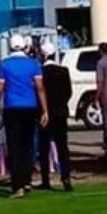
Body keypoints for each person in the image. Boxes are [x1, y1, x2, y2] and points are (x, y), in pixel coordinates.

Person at [0, 34, 49, 199]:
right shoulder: (33, 64)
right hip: (30, 107)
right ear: (25, 46)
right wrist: (45, 110)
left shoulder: (4, 65)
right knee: (28, 145)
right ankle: (27, 180)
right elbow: (40, 88)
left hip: (12, 107)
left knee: (14, 146)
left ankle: (17, 185)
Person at [38, 40, 72, 192]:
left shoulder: (40, 72)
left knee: (44, 147)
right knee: (62, 146)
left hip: (44, 113)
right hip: (60, 113)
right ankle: (66, 177)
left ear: (43, 56)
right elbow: (68, 92)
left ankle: (45, 179)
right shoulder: (63, 71)